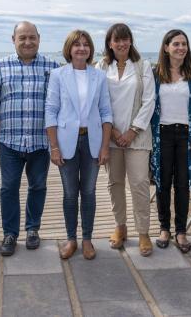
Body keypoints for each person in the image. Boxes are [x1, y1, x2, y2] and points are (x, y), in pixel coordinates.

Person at [0, 21, 59, 256]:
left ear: (39, 38)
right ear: (13, 40)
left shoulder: (53, 67)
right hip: (10, 141)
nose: (27, 42)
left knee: (38, 186)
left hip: (40, 141)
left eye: (32, 37)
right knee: (9, 188)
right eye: (22, 38)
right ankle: (10, 233)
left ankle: (33, 229)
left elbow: (57, 105)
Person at [45, 30, 113, 260]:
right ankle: (71, 239)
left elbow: (105, 112)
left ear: (91, 49)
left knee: (90, 192)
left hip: (92, 141)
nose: (81, 48)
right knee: (70, 193)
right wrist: (54, 146)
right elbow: (51, 111)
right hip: (66, 142)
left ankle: (87, 239)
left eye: (85, 44)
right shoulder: (57, 75)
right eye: (77, 45)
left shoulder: (99, 76)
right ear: (69, 49)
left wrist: (105, 146)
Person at [95, 23, 155, 256]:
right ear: (109, 43)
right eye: (116, 39)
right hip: (111, 136)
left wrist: (132, 130)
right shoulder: (101, 66)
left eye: (125, 39)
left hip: (137, 137)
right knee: (114, 183)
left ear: (130, 41)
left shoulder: (143, 66)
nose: (121, 43)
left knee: (139, 183)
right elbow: (98, 101)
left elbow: (149, 101)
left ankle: (143, 232)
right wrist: (115, 133)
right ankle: (120, 227)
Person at [150, 29, 191, 253]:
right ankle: (164, 228)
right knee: (163, 183)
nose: (181, 48)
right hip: (162, 134)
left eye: (184, 44)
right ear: (166, 47)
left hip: (186, 135)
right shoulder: (156, 74)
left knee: (183, 185)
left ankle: (181, 231)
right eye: (176, 44)